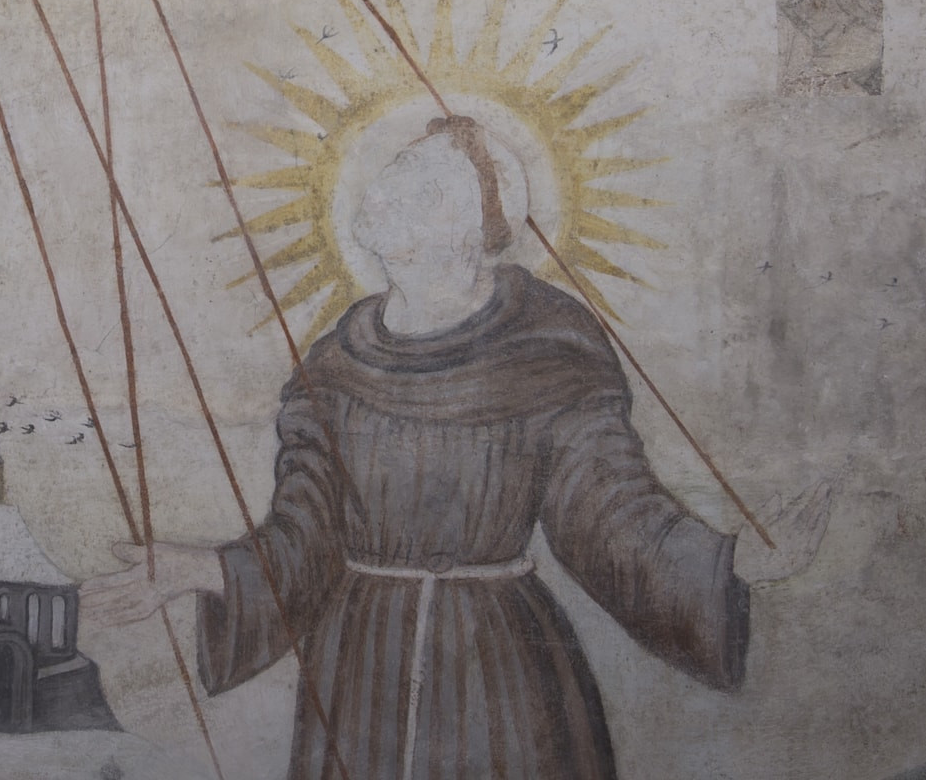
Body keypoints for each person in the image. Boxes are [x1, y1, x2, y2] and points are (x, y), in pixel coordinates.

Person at [81, 114, 830, 780]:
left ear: (472, 230)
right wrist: (201, 569)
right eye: (391, 173)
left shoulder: (548, 347)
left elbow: (607, 512)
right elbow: (304, 536)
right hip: (360, 667)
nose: (384, 192)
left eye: (420, 185)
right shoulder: (334, 368)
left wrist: (729, 565)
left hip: (498, 663)